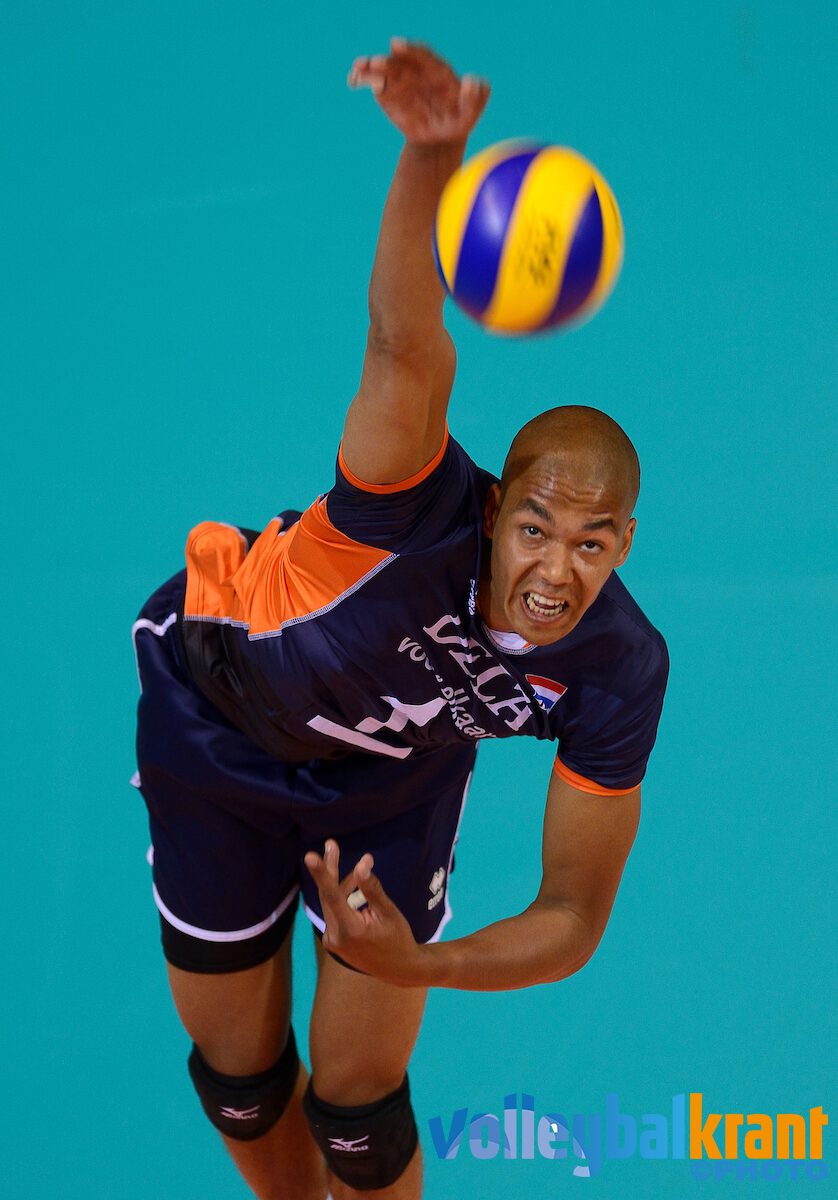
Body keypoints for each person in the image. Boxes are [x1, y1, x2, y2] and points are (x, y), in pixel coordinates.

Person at [131, 38, 668, 1200]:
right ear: (493, 511)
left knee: (358, 1110)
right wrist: (435, 154)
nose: (555, 570)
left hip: (389, 778)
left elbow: (573, 914)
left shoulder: (616, 666)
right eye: (536, 529)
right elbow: (399, 339)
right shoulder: (410, 505)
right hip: (219, 714)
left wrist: (420, 963)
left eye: (591, 544)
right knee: (243, 1081)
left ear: (624, 546)